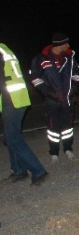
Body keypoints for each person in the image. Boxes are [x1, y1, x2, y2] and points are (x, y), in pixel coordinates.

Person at [30, 33, 79, 164]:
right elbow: (34, 77)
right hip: (52, 101)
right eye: (66, 43)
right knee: (53, 128)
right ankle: (54, 153)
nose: (69, 45)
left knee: (68, 128)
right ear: (60, 45)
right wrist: (46, 91)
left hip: (67, 100)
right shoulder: (41, 59)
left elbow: (77, 73)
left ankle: (68, 149)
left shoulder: (69, 57)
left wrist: (74, 88)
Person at [1, 43, 48, 186]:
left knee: (14, 139)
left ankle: (39, 171)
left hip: (12, 101)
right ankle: (19, 170)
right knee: (10, 138)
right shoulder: (3, 48)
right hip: (12, 99)